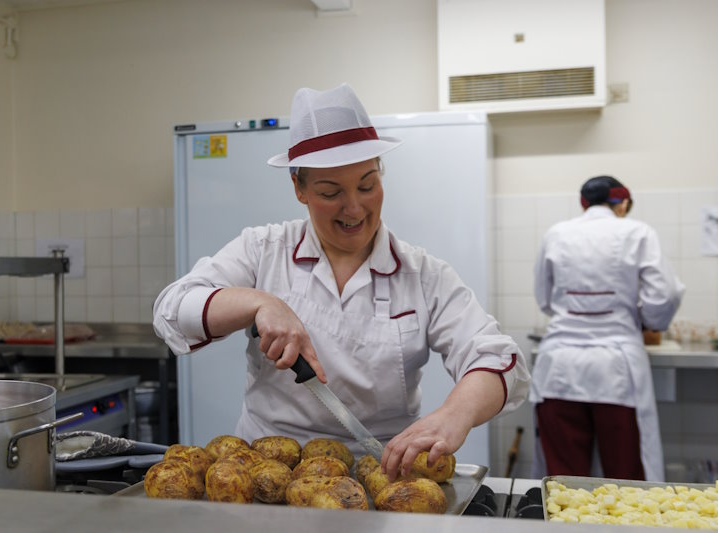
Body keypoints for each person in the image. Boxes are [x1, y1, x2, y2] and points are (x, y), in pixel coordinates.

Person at [153, 83, 530, 480]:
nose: (354, 208)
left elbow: (499, 360)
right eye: (331, 192)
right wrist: (259, 303)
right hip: (270, 480)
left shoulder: (423, 275)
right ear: (299, 188)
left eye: (367, 185)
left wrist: (455, 414)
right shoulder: (264, 250)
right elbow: (172, 311)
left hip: (383, 477)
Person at [531, 176, 685, 481]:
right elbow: (664, 295)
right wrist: (650, 320)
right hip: (617, 371)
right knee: (626, 480)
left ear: (583, 202)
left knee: (564, 481)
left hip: (558, 366)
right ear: (623, 202)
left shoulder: (556, 233)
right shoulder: (638, 232)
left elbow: (545, 300)